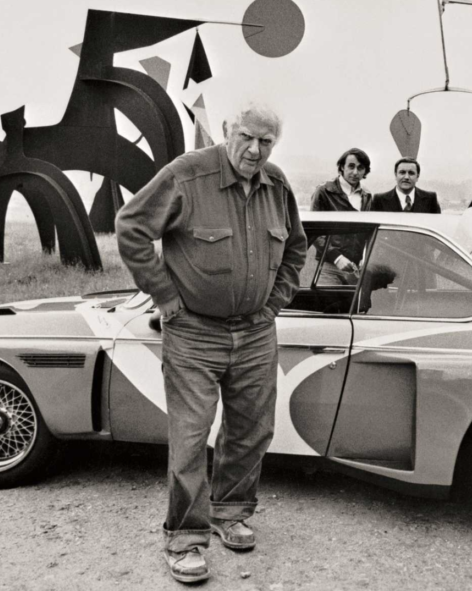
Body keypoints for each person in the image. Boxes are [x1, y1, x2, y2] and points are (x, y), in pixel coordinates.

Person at [116, 103, 307, 584]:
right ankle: (184, 539)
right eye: (246, 137)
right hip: (194, 333)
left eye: (266, 141)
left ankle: (230, 512)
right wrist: (165, 297)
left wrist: (273, 304)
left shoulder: (277, 184)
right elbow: (131, 227)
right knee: (189, 436)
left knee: (252, 429)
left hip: (256, 331)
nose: (255, 150)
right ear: (226, 131)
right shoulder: (187, 174)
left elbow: (296, 248)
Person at [310, 148, 372, 283]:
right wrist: (336, 257)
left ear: (365, 171)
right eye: (351, 166)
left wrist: (366, 257)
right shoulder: (324, 191)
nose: (355, 172)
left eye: (360, 168)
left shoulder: (366, 196)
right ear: (342, 167)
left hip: (356, 269)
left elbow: (368, 232)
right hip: (329, 266)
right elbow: (314, 231)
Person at [370, 157, 442, 213]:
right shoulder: (379, 200)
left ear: (417, 177)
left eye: (411, 173)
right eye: (402, 172)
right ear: (396, 175)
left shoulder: (430, 199)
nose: (406, 177)